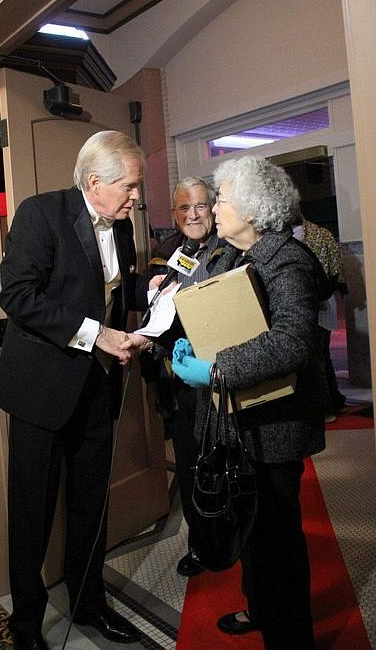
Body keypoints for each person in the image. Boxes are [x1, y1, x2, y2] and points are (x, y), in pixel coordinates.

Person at [0, 130, 154, 650]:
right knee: (32, 514)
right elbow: (17, 296)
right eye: (129, 186)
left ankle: (89, 604)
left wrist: (147, 290)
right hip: (40, 392)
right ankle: (25, 627)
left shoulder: (123, 226)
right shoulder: (41, 213)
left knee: (91, 505)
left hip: (96, 389)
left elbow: (112, 289)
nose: (136, 198)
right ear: (94, 182)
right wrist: (96, 334)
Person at [171, 155, 329, 650]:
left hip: (274, 423)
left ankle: (290, 640)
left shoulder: (287, 259)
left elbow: (291, 343)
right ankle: (261, 608)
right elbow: (203, 304)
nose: (214, 208)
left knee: (277, 539)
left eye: (222, 198)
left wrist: (215, 369)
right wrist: (188, 342)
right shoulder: (228, 253)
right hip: (238, 420)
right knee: (252, 532)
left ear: (254, 208)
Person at [146, 177, 224, 577]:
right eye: (184, 208)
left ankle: (236, 539)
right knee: (192, 464)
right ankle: (202, 545)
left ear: (213, 207)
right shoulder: (164, 255)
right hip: (181, 380)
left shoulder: (233, 247)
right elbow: (153, 323)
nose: (193, 215)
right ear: (174, 214)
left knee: (229, 462)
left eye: (201, 206)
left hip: (228, 374)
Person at [292, 213, 348, 422]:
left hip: (316, 303)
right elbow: (337, 270)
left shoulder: (297, 237)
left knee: (317, 359)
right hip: (320, 302)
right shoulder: (320, 233)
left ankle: (326, 406)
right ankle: (334, 401)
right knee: (322, 357)